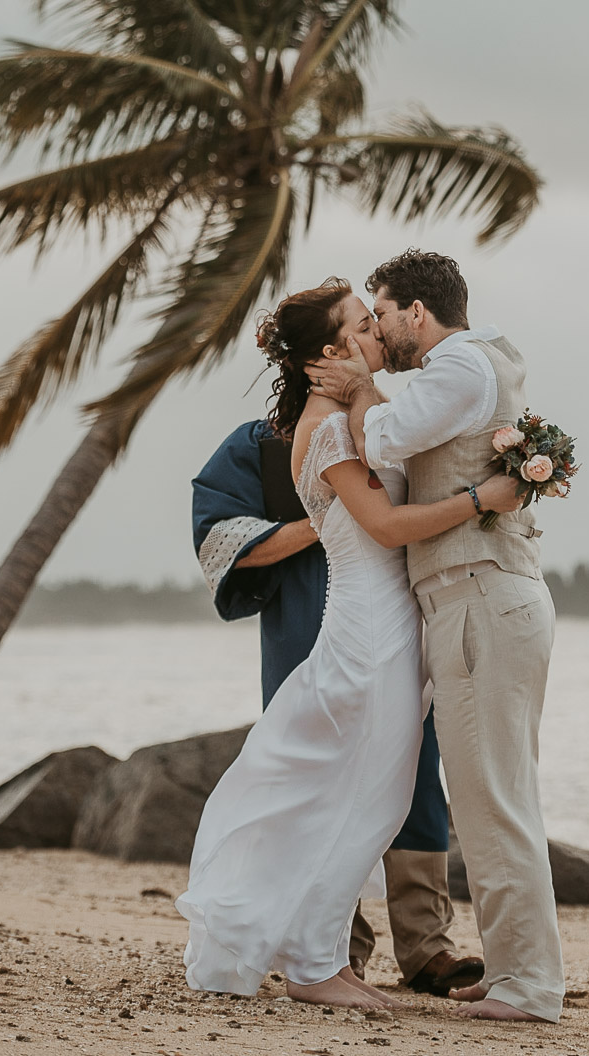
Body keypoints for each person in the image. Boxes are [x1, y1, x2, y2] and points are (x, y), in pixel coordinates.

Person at [176, 278, 522, 1010]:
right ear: (332, 350)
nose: (380, 332)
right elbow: (388, 529)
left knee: (376, 797)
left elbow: (400, 440)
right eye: (364, 324)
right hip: (365, 629)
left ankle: (322, 958)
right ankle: (317, 968)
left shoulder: (360, 416)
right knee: (363, 797)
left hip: (394, 625)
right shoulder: (325, 429)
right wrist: (483, 500)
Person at [307, 249, 566, 1024]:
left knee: (494, 793)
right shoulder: (476, 364)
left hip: (479, 596)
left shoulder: (458, 369)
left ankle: (530, 986)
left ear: (416, 312)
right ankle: (517, 968)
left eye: (381, 312)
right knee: (488, 793)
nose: (378, 328)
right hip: (476, 597)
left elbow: (383, 440)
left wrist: (360, 391)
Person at [191, 417, 482, 994]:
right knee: (315, 778)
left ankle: (427, 944)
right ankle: (334, 946)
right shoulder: (260, 444)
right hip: (306, 619)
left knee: (414, 771)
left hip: (398, 618)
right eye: (355, 329)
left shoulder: (393, 423)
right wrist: (326, 523)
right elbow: (217, 539)